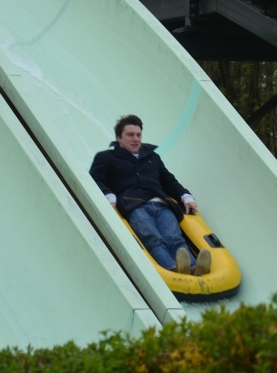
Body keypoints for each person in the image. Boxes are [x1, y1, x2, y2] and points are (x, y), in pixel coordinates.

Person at [90, 115, 211, 276]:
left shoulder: (152, 157)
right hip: (135, 205)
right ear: (119, 138)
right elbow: (95, 178)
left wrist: (185, 196)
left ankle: (194, 267)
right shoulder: (106, 158)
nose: (136, 139)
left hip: (162, 204)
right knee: (154, 238)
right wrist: (109, 195)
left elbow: (168, 180)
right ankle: (172, 267)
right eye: (130, 135)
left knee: (174, 237)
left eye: (138, 135)